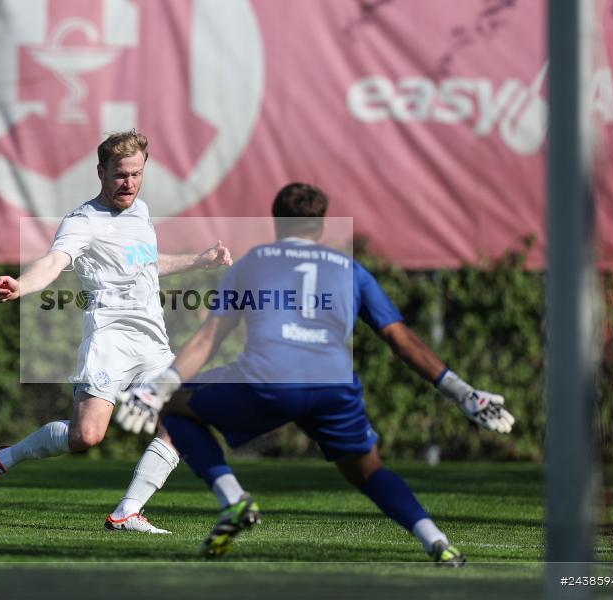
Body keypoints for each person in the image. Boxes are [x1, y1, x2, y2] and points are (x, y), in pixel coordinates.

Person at [114, 182, 515, 563]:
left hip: (266, 382)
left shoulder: (253, 262)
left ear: (275, 223)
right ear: (321, 227)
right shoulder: (350, 269)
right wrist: (463, 393)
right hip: (332, 387)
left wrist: (158, 389)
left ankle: (233, 499)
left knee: (177, 408)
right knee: (370, 471)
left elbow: (208, 340)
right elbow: (402, 341)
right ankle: (437, 543)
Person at [0, 129, 232, 534]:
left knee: (186, 420)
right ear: (101, 172)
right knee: (86, 437)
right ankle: (6, 458)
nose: (128, 183)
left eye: (137, 174)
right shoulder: (82, 221)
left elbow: (147, 261)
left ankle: (127, 511)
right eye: (120, 175)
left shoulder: (140, 212)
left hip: (153, 344)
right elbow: (54, 261)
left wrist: (199, 260)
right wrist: (23, 284)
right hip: (109, 341)